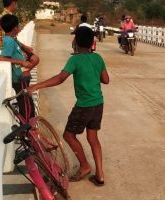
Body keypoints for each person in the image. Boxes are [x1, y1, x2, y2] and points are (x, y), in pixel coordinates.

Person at [27, 26, 110, 186]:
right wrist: (92, 73)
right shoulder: (98, 58)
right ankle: (100, 175)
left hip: (84, 105)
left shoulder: (75, 59)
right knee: (93, 137)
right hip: (98, 103)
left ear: (76, 42)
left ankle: (85, 166)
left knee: (68, 136)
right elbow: (106, 80)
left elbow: (60, 78)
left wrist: (36, 86)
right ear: (92, 42)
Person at [0, 14, 35, 121]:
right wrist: (21, 62)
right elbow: (2, 58)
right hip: (19, 77)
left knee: (27, 101)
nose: (19, 26)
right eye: (18, 25)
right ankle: (27, 127)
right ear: (15, 28)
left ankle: (28, 124)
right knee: (25, 103)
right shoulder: (9, 41)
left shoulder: (11, 38)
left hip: (21, 76)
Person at [0, 0, 39, 71]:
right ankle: (24, 74)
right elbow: (7, 38)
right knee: (35, 59)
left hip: (13, 44)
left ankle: (24, 74)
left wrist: (24, 47)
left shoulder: (6, 15)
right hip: (10, 47)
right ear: (13, 2)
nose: (17, 6)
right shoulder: (7, 16)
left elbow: (12, 37)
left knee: (34, 59)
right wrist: (20, 51)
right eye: (16, 3)